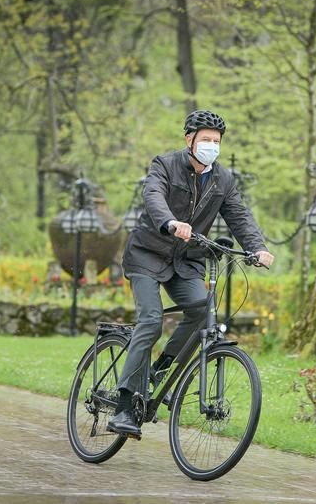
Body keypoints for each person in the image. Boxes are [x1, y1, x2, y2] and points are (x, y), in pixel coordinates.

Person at [107, 110, 274, 438]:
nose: (211, 145)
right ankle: (124, 405)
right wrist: (170, 222)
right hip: (147, 256)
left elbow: (239, 215)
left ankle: (160, 372)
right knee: (152, 320)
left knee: (202, 311)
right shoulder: (165, 165)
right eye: (205, 140)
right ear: (189, 140)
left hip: (186, 262)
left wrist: (258, 247)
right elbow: (153, 196)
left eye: (216, 141)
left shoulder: (223, 180)